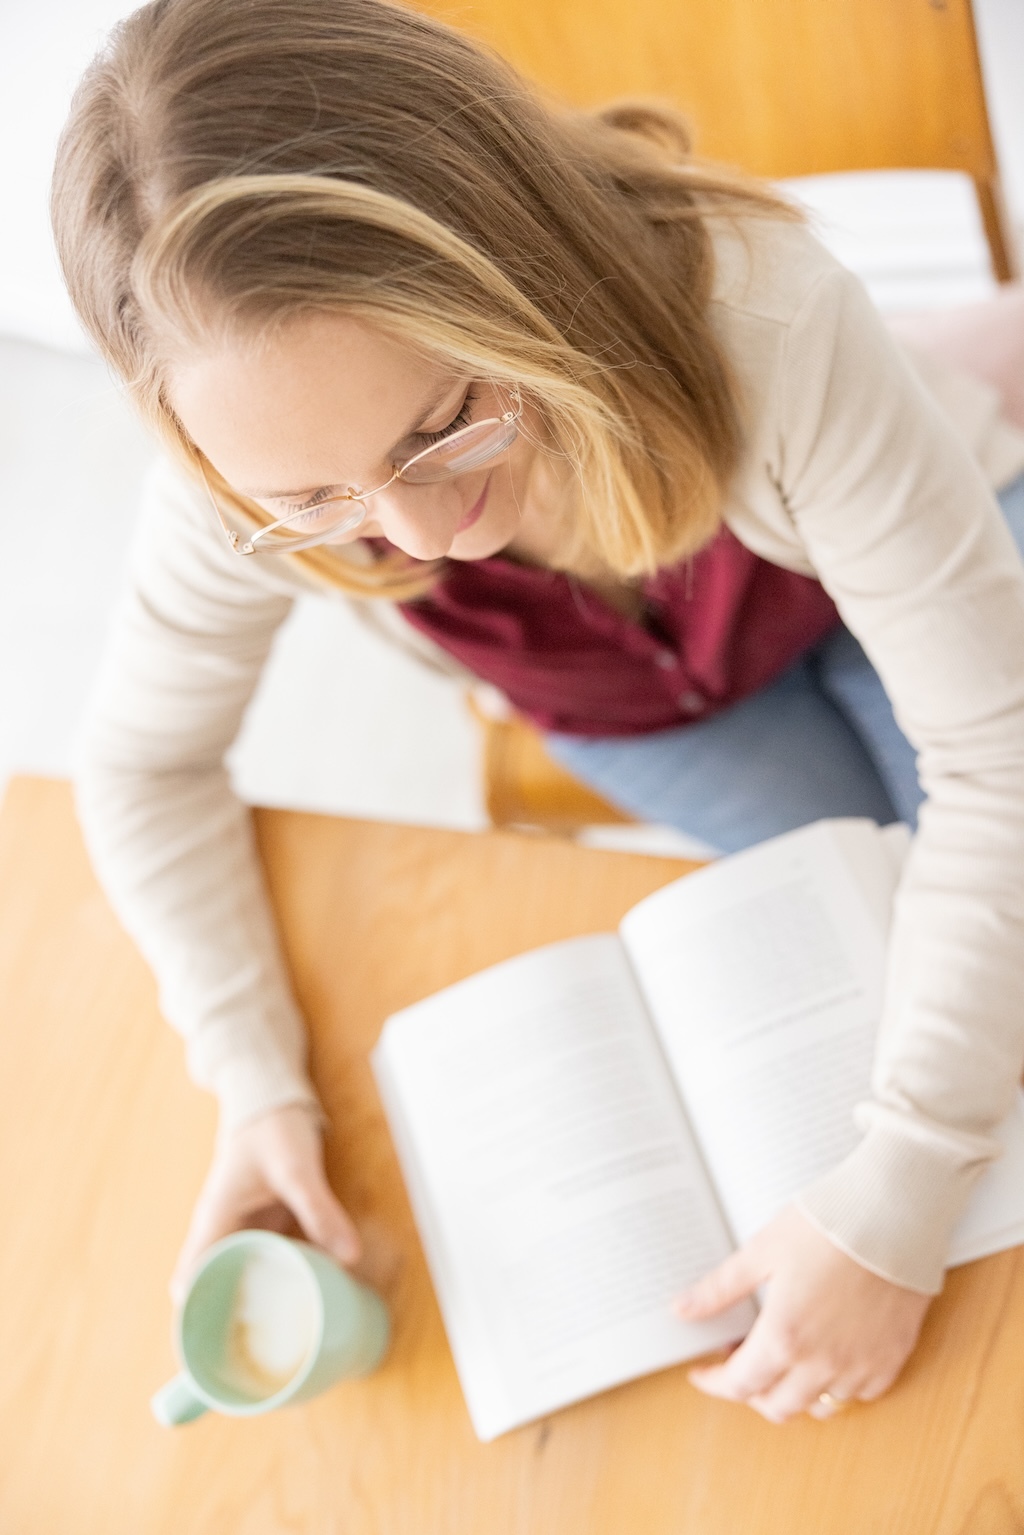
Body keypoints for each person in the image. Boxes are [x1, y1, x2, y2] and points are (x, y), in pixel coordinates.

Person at [51, 0, 1024, 1425]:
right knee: (877, 964)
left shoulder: (766, 322)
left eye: (442, 426)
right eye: (313, 500)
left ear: (522, 275)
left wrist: (898, 1196)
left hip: (888, 554)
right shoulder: (246, 466)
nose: (417, 536)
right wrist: (255, 1083)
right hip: (657, 708)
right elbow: (140, 764)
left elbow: (998, 760)